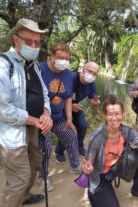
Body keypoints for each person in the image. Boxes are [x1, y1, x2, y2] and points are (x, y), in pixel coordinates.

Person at [0, 18, 53, 206]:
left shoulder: (35, 64)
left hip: (34, 127)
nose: (33, 46)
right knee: (20, 178)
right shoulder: (2, 64)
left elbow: (45, 94)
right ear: (16, 40)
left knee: (33, 166)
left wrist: (46, 113)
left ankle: (24, 198)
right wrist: (33, 120)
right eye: (28, 41)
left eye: (37, 42)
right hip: (12, 131)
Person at [82, 94, 138, 207]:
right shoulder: (97, 136)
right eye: (110, 114)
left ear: (123, 114)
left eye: (117, 113)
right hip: (100, 175)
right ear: (105, 115)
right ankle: (90, 186)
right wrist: (87, 170)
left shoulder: (127, 131)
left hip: (118, 166)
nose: (114, 118)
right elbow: (87, 163)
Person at [38, 43, 81, 191]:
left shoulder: (68, 74)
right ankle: (42, 176)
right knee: (47, 147)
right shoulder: (39, 69)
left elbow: (68, 98)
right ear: (52, 56)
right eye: (61, 57)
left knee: (71, 135)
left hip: (59, 117)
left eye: (67, 58)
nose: (64, 61)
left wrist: (69, 119)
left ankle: (75, 165)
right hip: (41, 118)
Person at [55, 61, 100, 163]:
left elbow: (93, 104)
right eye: (90, 72)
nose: (92, 75)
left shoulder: (92, 85)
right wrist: (70, 106)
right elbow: (55, 96)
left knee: (82, 125)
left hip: (75, 108)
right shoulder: (70, 78)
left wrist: (95, 103)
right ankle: (59, 151)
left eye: (95, 74)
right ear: (83, 70)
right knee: (65, 129)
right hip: (60, 107)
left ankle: (79, 146)